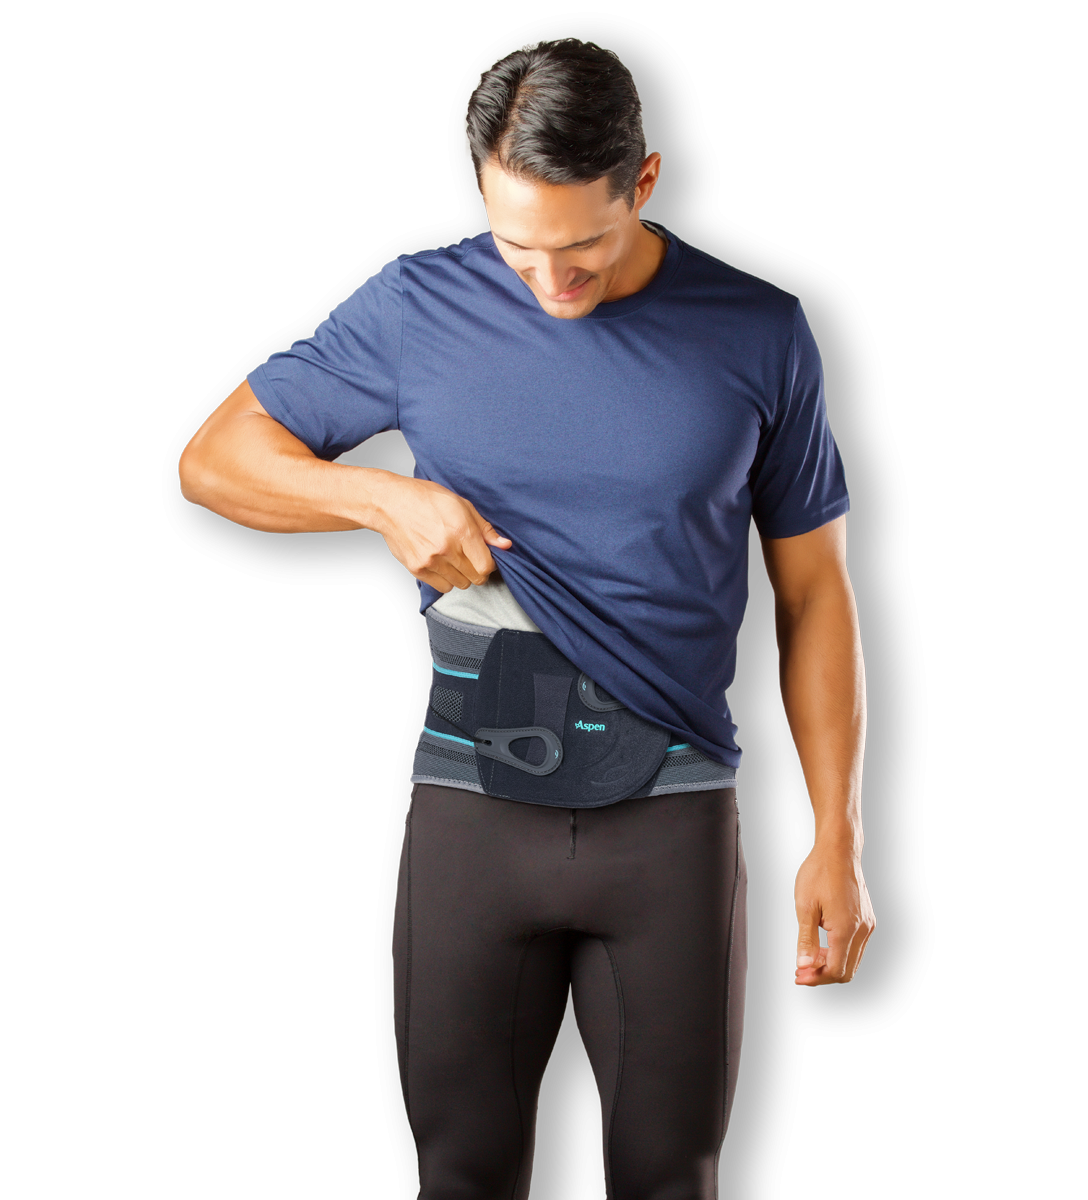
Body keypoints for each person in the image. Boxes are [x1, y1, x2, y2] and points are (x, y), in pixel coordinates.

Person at [179, 35, 875, 1200]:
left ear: (643, 180)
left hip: (674, 821)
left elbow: (813, 593)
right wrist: (381, 498)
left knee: (671, 1180)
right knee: (456, 1176)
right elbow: (211, 462)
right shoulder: (416, 304)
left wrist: (837, 840)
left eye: (582, 246)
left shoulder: (760, 328)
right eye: (518, 247)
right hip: (469, 818)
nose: (552, 281)